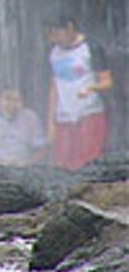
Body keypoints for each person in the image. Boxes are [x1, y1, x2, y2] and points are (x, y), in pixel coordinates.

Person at [44, 14, 112, 169]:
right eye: (50, 34)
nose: (54, 38)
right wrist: (50, 122)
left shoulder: (91, 47)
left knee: (88, 161)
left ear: (69, 27)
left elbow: (107, 81)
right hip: (63, 116)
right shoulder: (53, 52)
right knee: (63, 163)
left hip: (89, 112)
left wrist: (90, 88)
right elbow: (53, 88)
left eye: (56, 33)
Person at [0, 87, 47, 166]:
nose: (12, 104)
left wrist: (27, 163)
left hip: (23, 168)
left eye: (17, 100)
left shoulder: (30, 117)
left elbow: (41, 149)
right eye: (8, 99)